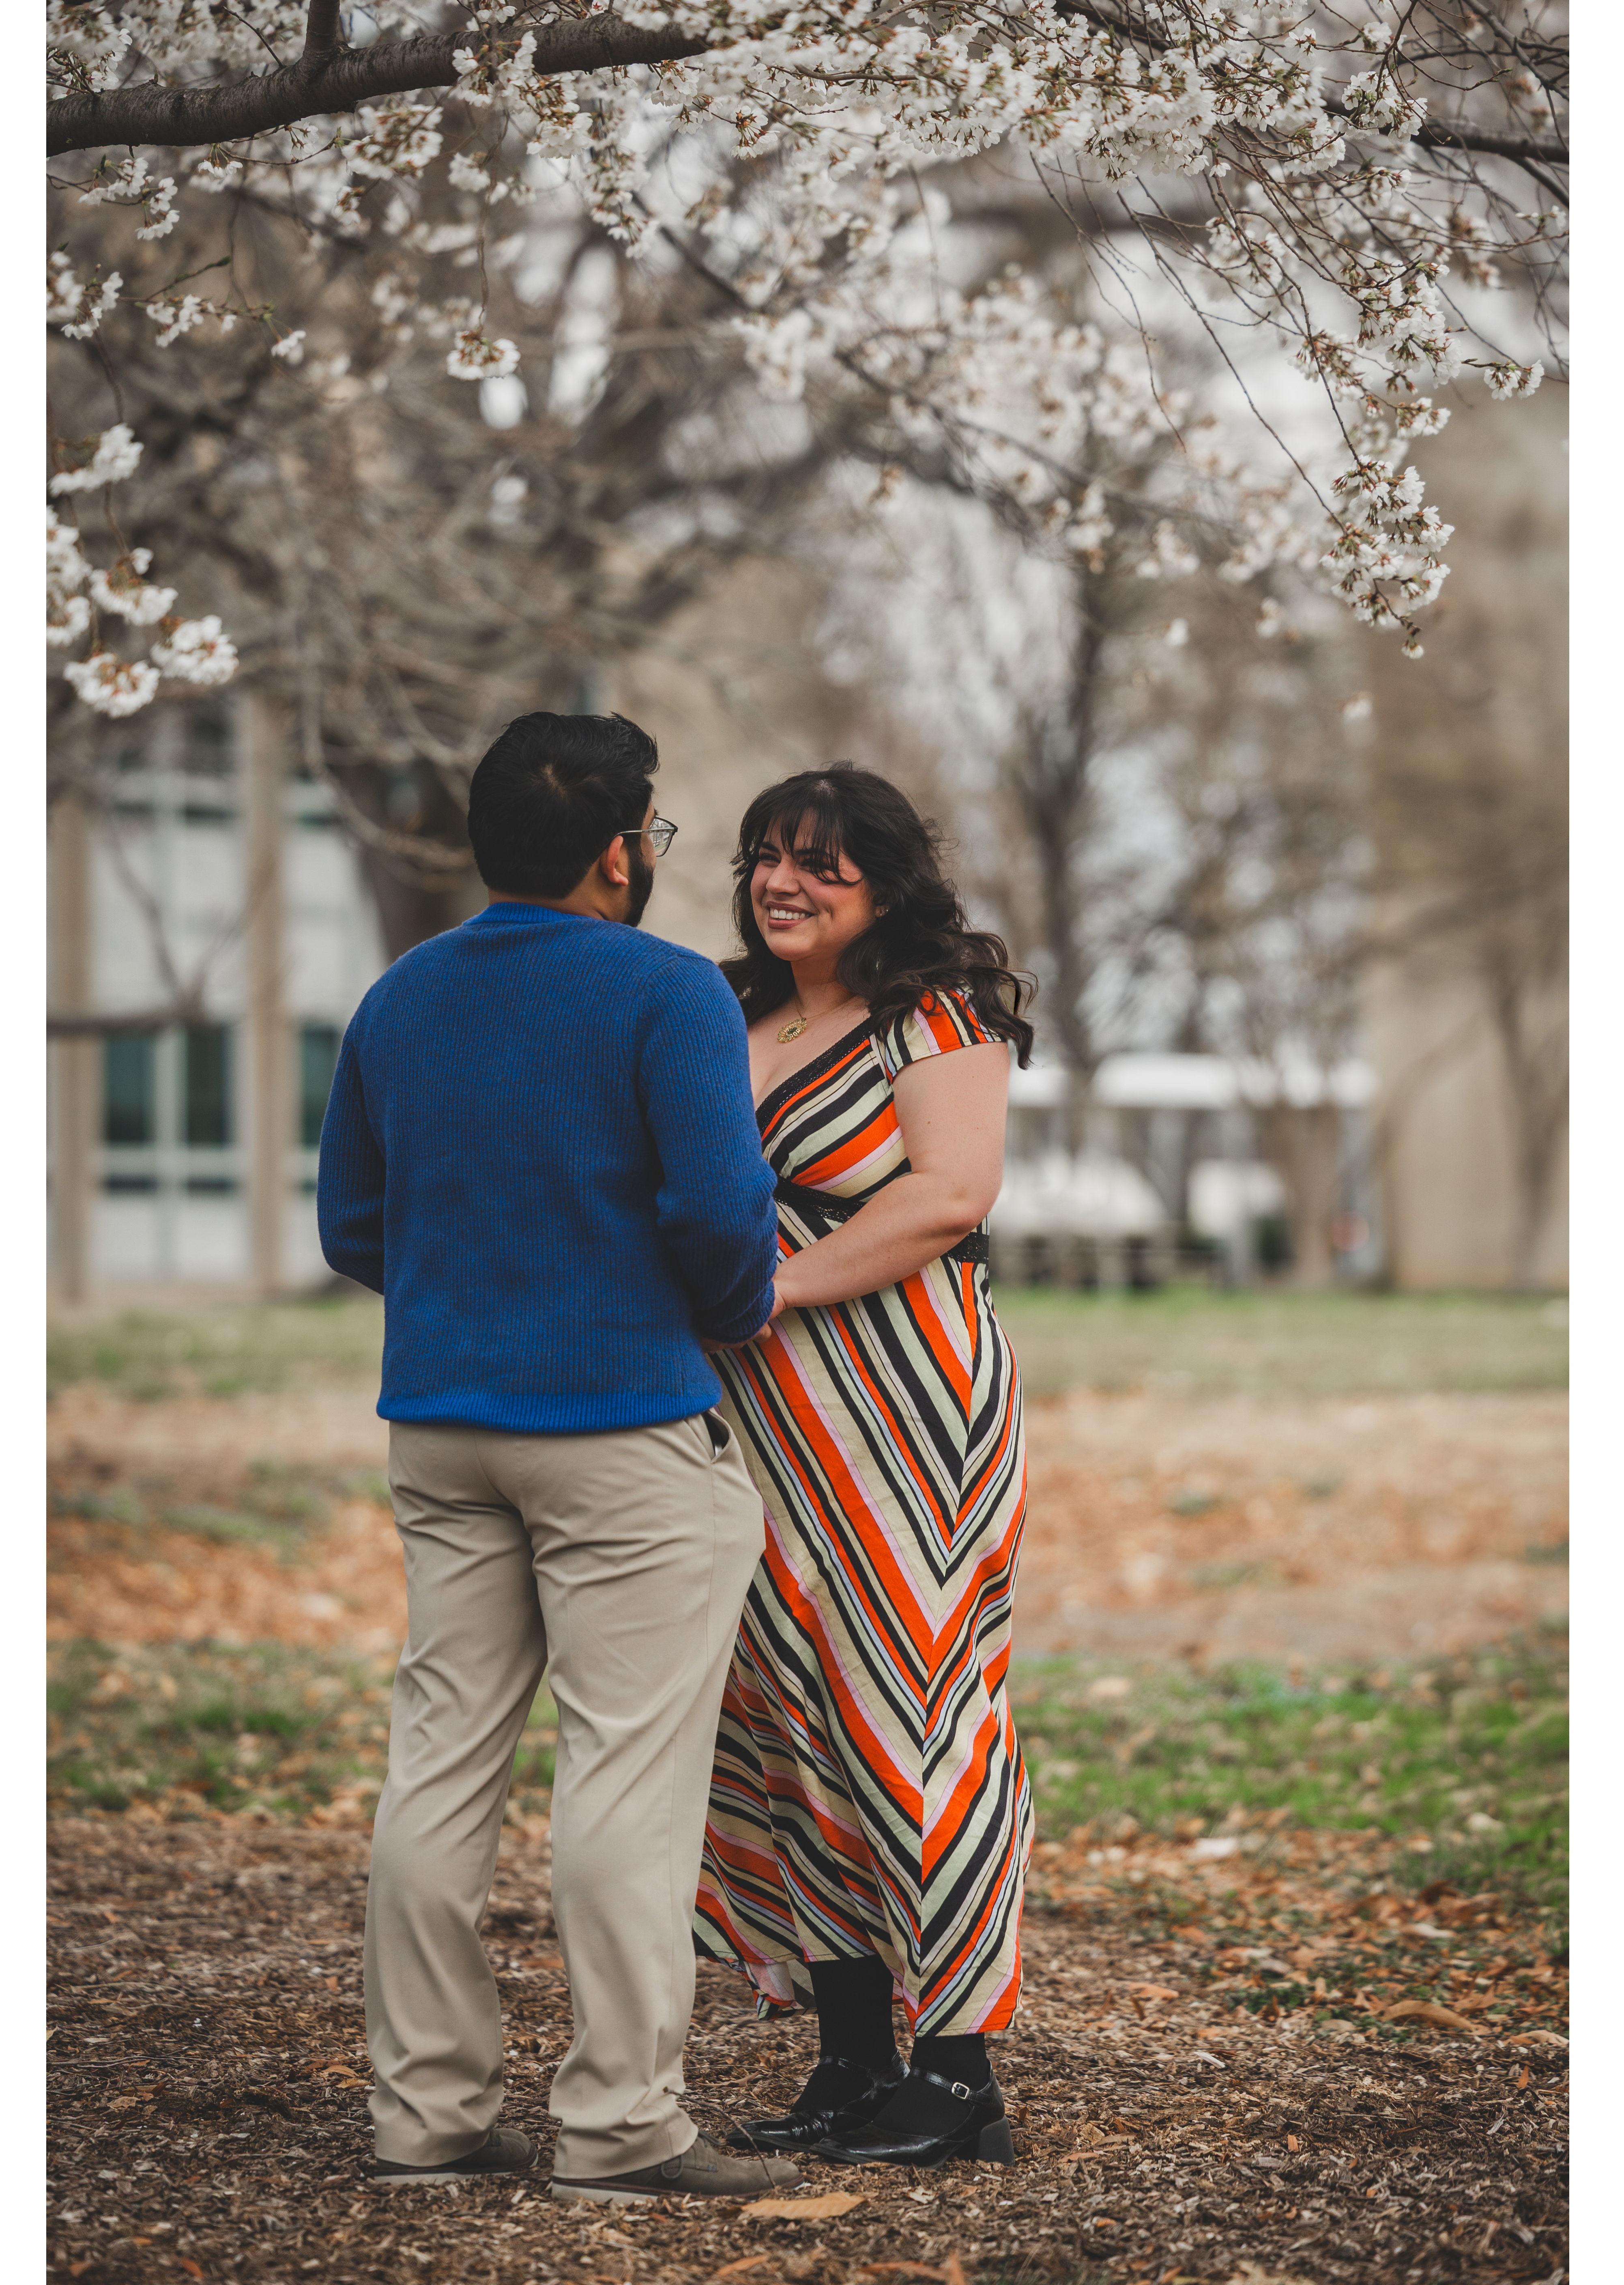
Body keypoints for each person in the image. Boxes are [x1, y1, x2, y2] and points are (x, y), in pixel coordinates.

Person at [315, 712, 802, 2206]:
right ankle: (620, 2125)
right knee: (625, 1775)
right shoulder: (667, 990)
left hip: (442, 1427)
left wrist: (477, 1298)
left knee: (439, 1761)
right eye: (650, 836)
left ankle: (426, 2114)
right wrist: (721, 1310)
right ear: (618, 853)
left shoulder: (399, 996)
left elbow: (352, 1226)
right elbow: (720, 1214)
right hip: (622, 1429)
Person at [692, 764, 1038, 2169]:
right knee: (787, 1713)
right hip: (756, 1415)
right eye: (767, 857)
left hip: (904, 1406)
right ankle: (850, 2060)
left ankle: (958, 2076)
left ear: (885, 886)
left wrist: (770, 1287)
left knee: (911, 1707)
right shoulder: (729, 1013)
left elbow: (950, 1195)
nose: (784, 883)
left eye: (821, 863)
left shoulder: (936, 1015)